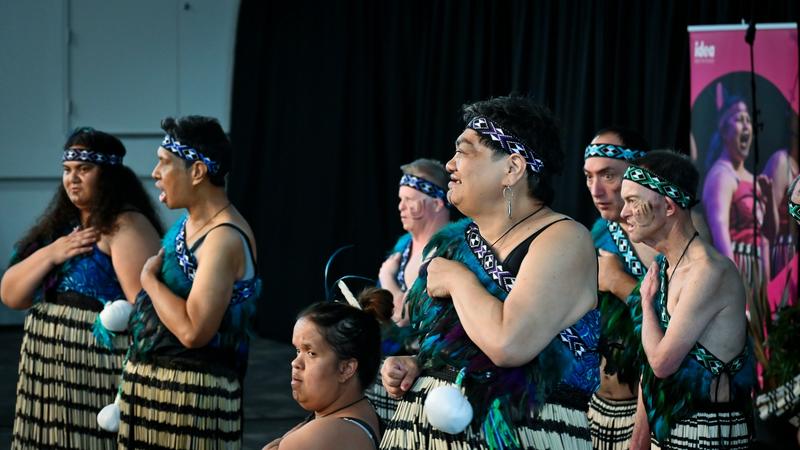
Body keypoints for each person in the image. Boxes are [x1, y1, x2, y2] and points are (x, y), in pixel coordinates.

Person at [380, 95, 599, 449]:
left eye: (463, 152)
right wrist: (419, 363)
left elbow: (509, 344)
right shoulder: (457, 240)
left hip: (520, 433)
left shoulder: (563, 238)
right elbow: (466, 347)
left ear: (512, 169)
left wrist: (456, 279)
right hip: (424, 430)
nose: (450, 164)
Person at [0, 128, 162, 449]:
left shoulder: (125, 226)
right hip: (47, 369)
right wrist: (52, 252)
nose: (73, 178)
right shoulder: (59, 229)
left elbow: (147, 313)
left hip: (97, 373)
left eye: (84, 169)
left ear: (109, 175)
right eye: (67, 170)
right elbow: (11, 294)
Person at [118, 116, 261, 449]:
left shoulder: (222, 238)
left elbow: (194, 331)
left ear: (197, 171)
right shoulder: (189, 223)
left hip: (192, 402)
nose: (154, 173)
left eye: (164, 163)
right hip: (160, 390)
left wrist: (148, 280)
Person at [622, 150, 754, 449]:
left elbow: (661, 363)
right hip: (669, 428)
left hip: (706, 433)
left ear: (668, 206)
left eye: (632, 201)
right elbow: (650, 373)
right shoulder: (666, 266)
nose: (623, 213)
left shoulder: (709, 271)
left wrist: (646, 304)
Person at [583, 127, 656, 450]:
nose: (596, 190)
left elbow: (679, 329)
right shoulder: (599, 231)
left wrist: (616, 281)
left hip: (651, 416)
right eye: (588, 177)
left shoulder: (669, 234)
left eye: (608, 175)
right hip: (596, 409)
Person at [263, 301, 382, 450]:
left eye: (311, 353)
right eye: (298, 351)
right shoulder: (363, 413)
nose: (295, 363)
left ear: (346, 369)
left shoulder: (319, 436)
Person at [378, 158, 451, 326]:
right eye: (400, 199)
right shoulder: (403, 247)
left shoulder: (449, 250)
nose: (400, 207)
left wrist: (386, 276)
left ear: (436, 203)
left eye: (409, 199)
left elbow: (403, 316)